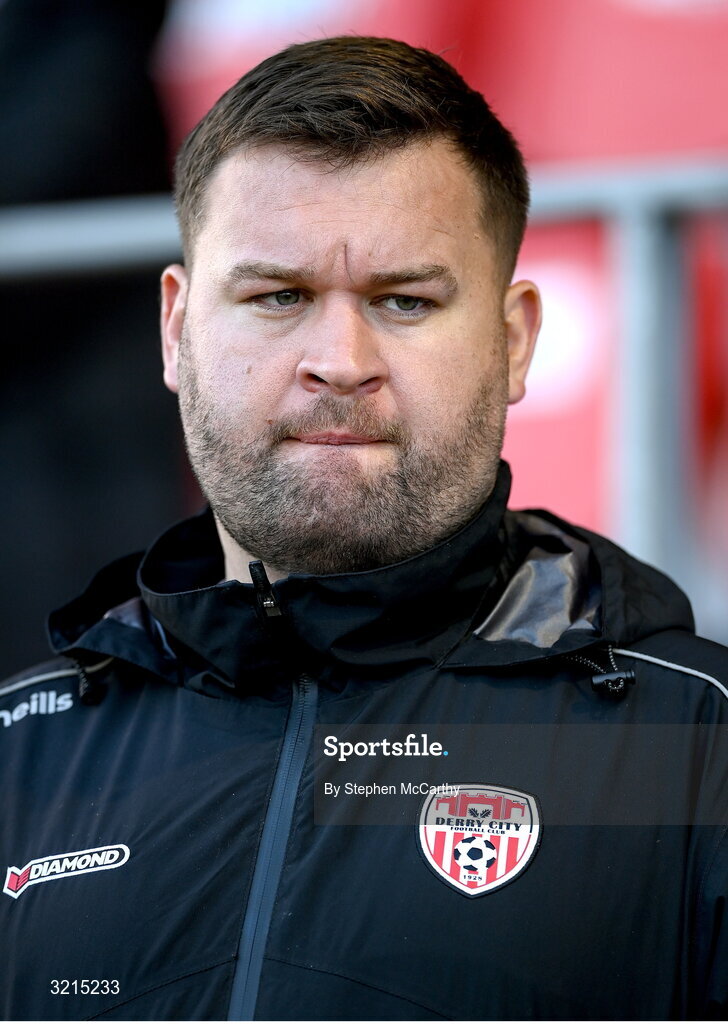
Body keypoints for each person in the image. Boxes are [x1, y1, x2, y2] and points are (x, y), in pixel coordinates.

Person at [0, 36, 725, 1022]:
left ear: (512, 342)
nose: (339, 359)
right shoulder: (21, 758)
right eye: (277, 296)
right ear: (174, 332)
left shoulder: (692, 749)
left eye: (402, 300)